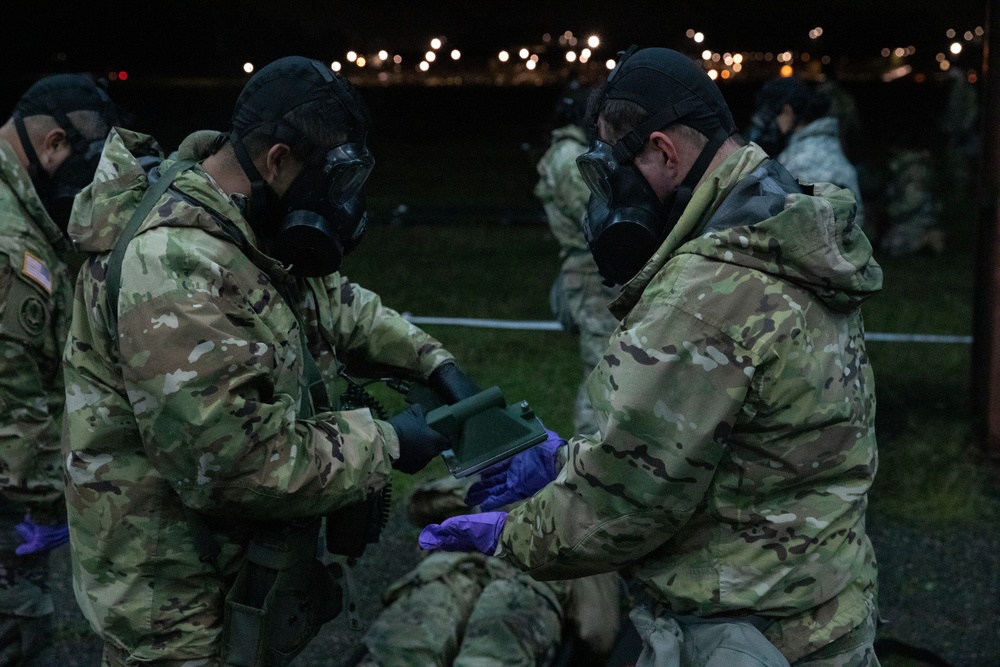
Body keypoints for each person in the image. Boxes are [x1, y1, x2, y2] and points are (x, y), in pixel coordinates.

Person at [420, 46, 882, 667]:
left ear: (664, 152)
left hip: (747, 636)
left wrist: (510, 534)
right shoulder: (797, 228)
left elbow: (626, 504)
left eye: (619, 170)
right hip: (827, 614)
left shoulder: (702, 296)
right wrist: (565, 459)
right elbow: (743, 444)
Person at [60, 55, 482, 666]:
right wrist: (386, 443)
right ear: (276, 160)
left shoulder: (248, 224)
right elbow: (230, 464)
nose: (341, 203)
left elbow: (335, 302)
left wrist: (433, 363)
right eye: (330, 180)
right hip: (174, 609)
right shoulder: (173, 270)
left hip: (233, 583)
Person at [0, 73, 118, 666]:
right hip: (8, 495)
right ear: (52, 144)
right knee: (19, 633)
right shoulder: (7, 239)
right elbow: (10, 393)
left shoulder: (17, 204)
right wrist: (47, 499)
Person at [356, 445, 625, 667]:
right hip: (480, 577)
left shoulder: (589, 532)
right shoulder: (579, 517)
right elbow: (596, 633)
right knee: (419, 638)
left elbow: (596, 629)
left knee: (423, 632)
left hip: (505, 583)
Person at [535, 82, 621, 436]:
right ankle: (588, 454)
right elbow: (596, 213)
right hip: (591, 271)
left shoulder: (566, 151)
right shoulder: (570, 157)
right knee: (603, 369)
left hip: (591, 271)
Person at [748, 76, 866, 233]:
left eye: (770, 118)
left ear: (787, 112)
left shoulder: (798, 161)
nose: (768, 127)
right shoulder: (826, 146)